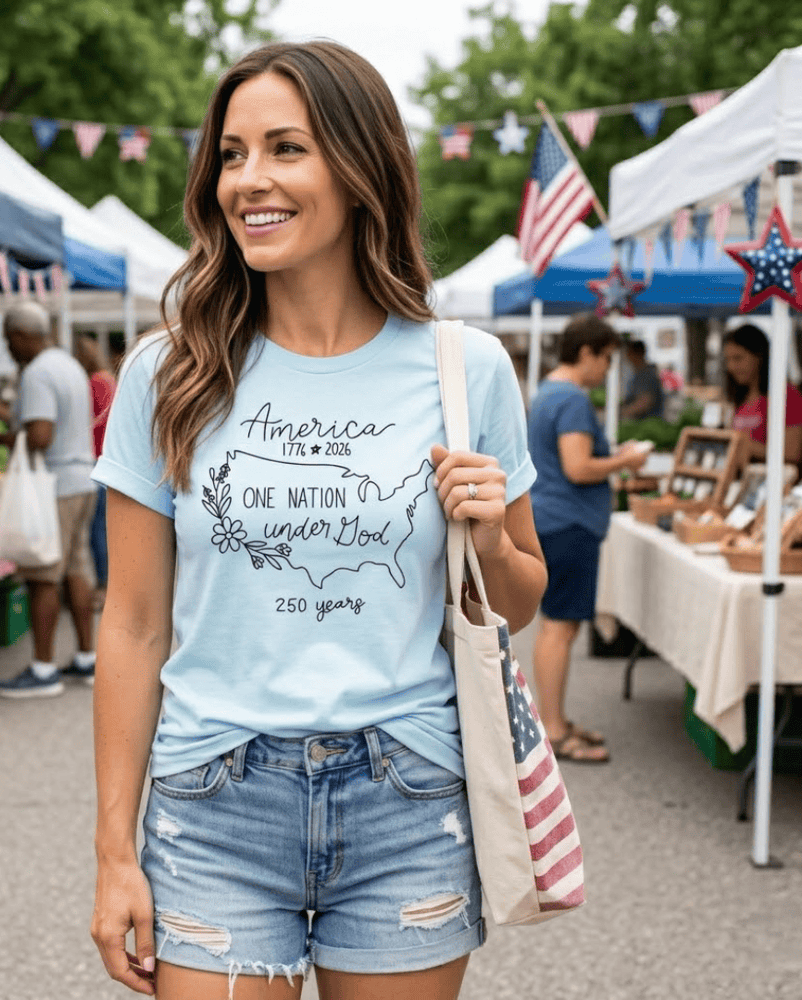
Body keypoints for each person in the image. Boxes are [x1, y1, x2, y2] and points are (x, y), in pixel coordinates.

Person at [89, 42, 547, 1000]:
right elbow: (131, 624)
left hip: (409, 796)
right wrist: (112, 854)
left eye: (286, 148)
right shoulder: (167, 375)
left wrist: (493, 536)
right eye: (231, 153)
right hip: (214, 799)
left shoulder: (467, 371)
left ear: (360, 164)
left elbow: (522, 596)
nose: (248, 180)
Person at [527, 314, 648, 765]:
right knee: (560, 628)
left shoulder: (546, 392)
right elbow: (577, 467)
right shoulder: (573, 400)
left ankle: (552, 721)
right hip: (569, 523)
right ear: (587, 353)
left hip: (552, 519)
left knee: (555, 626)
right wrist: (626, 460)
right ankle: (555, 731)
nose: (608, 370)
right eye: (607, 359)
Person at [0, 302, 98, 697]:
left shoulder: (38, 373)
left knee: (42, 576)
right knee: (78, 569)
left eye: (10, 342)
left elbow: (40, 437)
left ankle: (43, 670)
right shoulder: (68, 364)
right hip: (83, 480)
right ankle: (85, 658)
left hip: (53, 484)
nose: (10, 350)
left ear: (22, 336)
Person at [723, 323, 802, 466]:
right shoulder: (740, 397)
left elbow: (792, 453)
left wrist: (747, 446)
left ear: (759, 356)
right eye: (728, 360)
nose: (731, 367)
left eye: (738, 358)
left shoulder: (786, 395)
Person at [75, 334, 116, 602]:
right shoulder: (109, 379)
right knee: (105, 527)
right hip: (109, 459)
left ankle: (103, 585)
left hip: (96, 459)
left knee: (97, 530)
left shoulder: (92, 383)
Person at [619, 339, 664, 419]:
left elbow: (645, 401)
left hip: (647, 423)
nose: (627, 356)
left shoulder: (645, 375)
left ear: (637, 354)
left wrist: (622, 412)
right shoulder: (640, 373)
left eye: (629, 353)